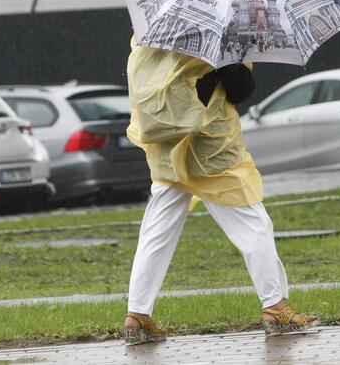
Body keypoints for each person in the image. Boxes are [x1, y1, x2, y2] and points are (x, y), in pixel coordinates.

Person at [122, 36, 318, 345]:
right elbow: (239, 88)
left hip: (165, 148)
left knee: (156, 233)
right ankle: (276, 310)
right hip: (210, 150)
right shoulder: (214, 33)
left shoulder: (149, 34)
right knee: (254, 225)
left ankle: (137, 317)